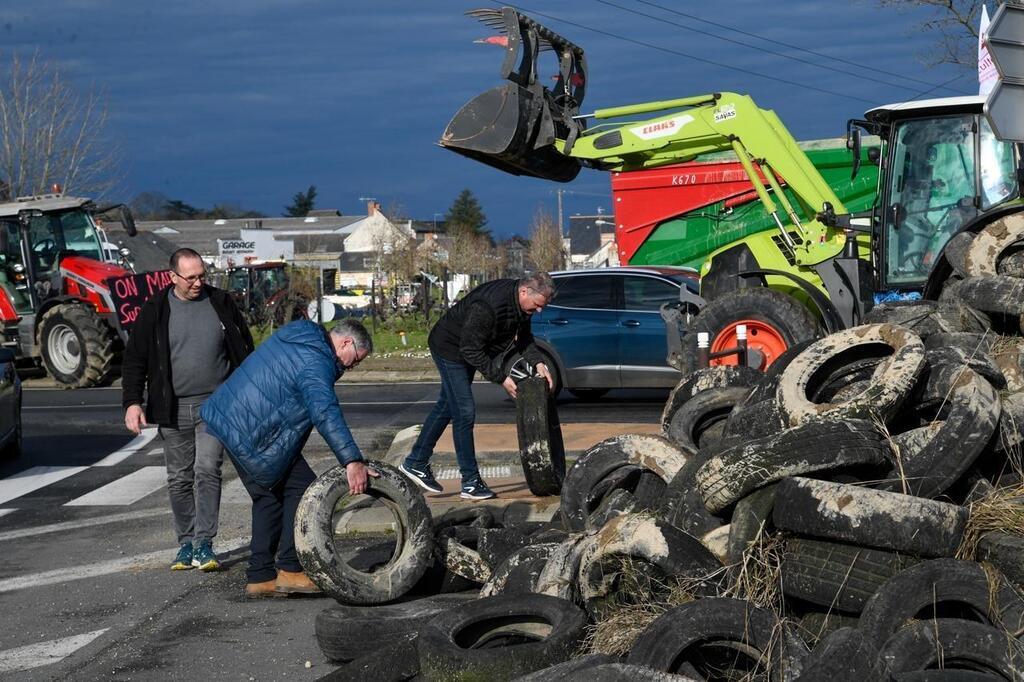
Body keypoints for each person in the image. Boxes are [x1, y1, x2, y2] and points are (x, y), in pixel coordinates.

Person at [201, 318, 376, 597]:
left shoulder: (303, 334)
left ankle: (261, 577)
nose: (352, 366)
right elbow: (325, 411)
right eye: (355, 359)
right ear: (345, 342)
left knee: (268, 496)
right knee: (303, 487)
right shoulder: (316, 360)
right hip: (250, 432)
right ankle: (291, 570)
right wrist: (352, 460)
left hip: (234, 420)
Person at [122, 248, 254, 572]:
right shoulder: (155, 310)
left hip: (216, 404)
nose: (198, 282)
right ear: (173, 277)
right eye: (190, 277)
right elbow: (135, 360)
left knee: (208, 470)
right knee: (179, 477)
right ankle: (186, 543)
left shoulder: (221, 303)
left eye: (201, 276)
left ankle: (205, 544)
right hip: (174, 407)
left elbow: (245, 349)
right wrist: (132, 403)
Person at [399, 273, 556, 500]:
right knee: (464, 412)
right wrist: (501, 378)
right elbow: (469, 349)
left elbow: (524, 338)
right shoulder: (488, 306)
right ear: (524, 292)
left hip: (471, 349)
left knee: (447, 406)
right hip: (450, 349)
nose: (539, 310)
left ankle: (416, 462)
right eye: (538, 305)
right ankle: (470, 482)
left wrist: (539, 362)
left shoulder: (523, 307)